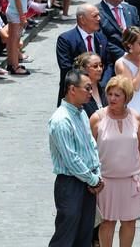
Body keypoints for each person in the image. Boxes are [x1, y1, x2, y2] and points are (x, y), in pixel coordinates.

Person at [89, 76, 140, 247]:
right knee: (107, 222)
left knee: (129, 222)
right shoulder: (97, 118)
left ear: (127, 97)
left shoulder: (136, 117)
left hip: (131, 180)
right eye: (110, 94)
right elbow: (88, 150)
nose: (113, 98)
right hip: (105, 182)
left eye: (117, 95)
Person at [48, 70, 102, 247]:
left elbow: (91, 145)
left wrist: (96, 173)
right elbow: (71, 159)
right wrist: (93, 179)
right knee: (65, 236)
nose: (90, 92)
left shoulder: (81, 113)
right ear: (72, 89)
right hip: (71, 184)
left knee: (84, 235)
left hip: (87, 182)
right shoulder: (61, 120)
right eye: (87, 88)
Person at [56, 4, 111, 104]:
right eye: (95, 16)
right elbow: (66, 68)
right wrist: (88, 83)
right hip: (77, 94)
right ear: (82, 19)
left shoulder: (102, 38)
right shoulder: (66, 39)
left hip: (99, 92)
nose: (99, 19)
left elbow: (108, 64)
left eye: (99, 15)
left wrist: (102, 83)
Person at [98, 0, 140, 67]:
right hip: (112, 63)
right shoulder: (97, 13)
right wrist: (125, 56)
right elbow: (102, 41)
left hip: (137, 59)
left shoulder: (132, 9)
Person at [6, 0, 29, 76]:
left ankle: (10, 62)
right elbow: (18, 0)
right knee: (15, 41)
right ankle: (15, 66)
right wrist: (22, 16)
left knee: (11, 39)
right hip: (16, 13)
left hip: (10, 11)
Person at [74, 52, 107, 117]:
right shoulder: (80, 93)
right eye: (95, 66)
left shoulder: (105, 89)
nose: (99, 69)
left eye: (101, 65)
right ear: (84, 68)